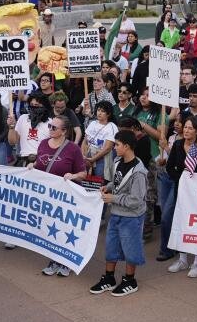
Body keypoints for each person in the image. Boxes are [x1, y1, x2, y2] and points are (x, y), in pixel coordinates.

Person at [89, 130, 148, 297]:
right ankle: (109, 278)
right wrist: (107, 187)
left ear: (127, 146)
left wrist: (113, 198)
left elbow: (136, 200)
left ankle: (130, 280)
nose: (114, 148)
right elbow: (116, 182)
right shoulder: (117, 161)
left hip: (132, 217)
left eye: (117, 145)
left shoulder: (139, 172)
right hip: (115, 214)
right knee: (111, 247)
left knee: (131, 249)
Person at [34, 114, 88, 276]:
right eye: (50, 126)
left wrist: (73, 176)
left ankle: (66, 261)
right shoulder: (43, 143)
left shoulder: (73, 149)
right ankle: (54, 259)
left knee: (65, 228)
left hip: (66, 196)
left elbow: (83, 173)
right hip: (47, 195)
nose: (50, 129)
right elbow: (40, 163)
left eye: (54, 127)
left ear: (64, 131)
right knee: (50, 227)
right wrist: (32, 165)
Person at [164, 115, 197, 276]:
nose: (186, 130)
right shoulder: (178, 145)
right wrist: (182, 179)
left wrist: (194, 182)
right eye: (185, 127)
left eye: (190, 128)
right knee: (179, 222)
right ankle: (182, 259)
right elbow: (170, 167)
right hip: (180, 190)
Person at [83, 101, 116, 181]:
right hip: (88, 155)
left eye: (103, 111)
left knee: (99, 180)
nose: (99, 113)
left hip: (101, 158)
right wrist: (84, 156)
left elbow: (107, 148)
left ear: (108, 114)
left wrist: (93, 159)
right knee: (85, 180)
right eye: (98, 110)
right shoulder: (93, 123)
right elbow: (85, 141)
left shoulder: (112, 127)